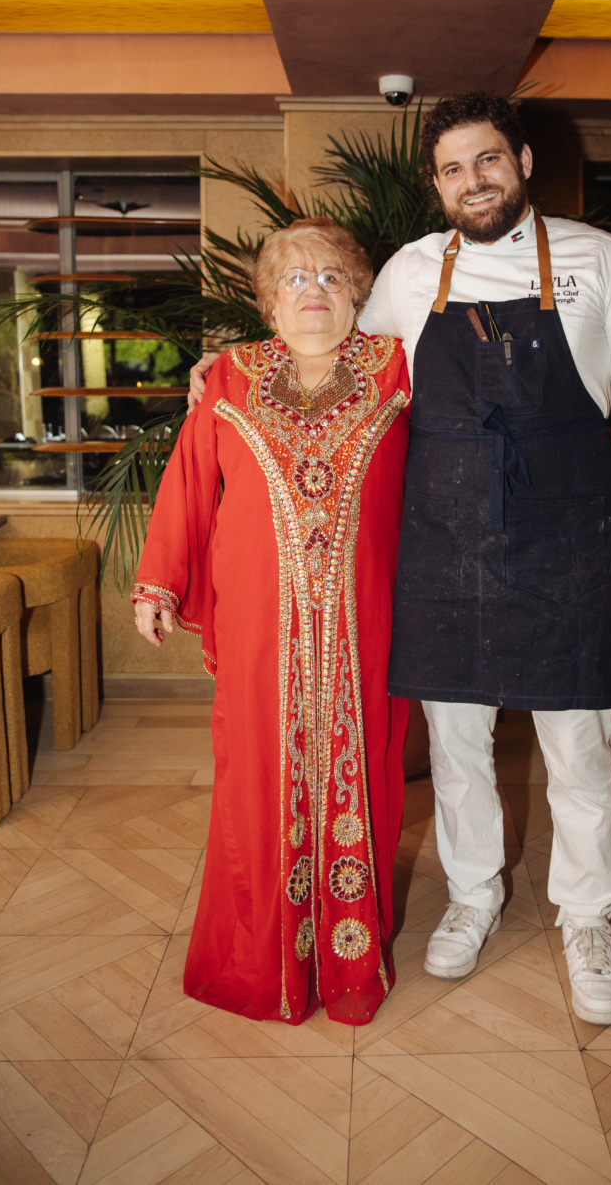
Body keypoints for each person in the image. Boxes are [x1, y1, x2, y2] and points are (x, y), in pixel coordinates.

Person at [190, 93, 611, 1026]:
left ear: (525, 162)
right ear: (437, 184)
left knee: (580, 747)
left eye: (489, 160)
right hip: (447, 545)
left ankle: (587, 919)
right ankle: (474, 894)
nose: (474, 181)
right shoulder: (414, 272)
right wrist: (225, 366)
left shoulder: (601, 259)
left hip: (571, 542)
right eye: (454, 169)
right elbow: (328, 348)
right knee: (457, 746)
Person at [133, 217, 410, 1026]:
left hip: (369, 623)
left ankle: (352, 962)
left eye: (330, 276)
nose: (313, 291)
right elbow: (188, 481)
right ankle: (265, 961)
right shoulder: (228, 379)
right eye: (293, 278)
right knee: (259, 780)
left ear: (359, 293)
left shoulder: (398, 367)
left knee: (364, 770)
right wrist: (158, 583)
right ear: (267, 301)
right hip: (260, 627)